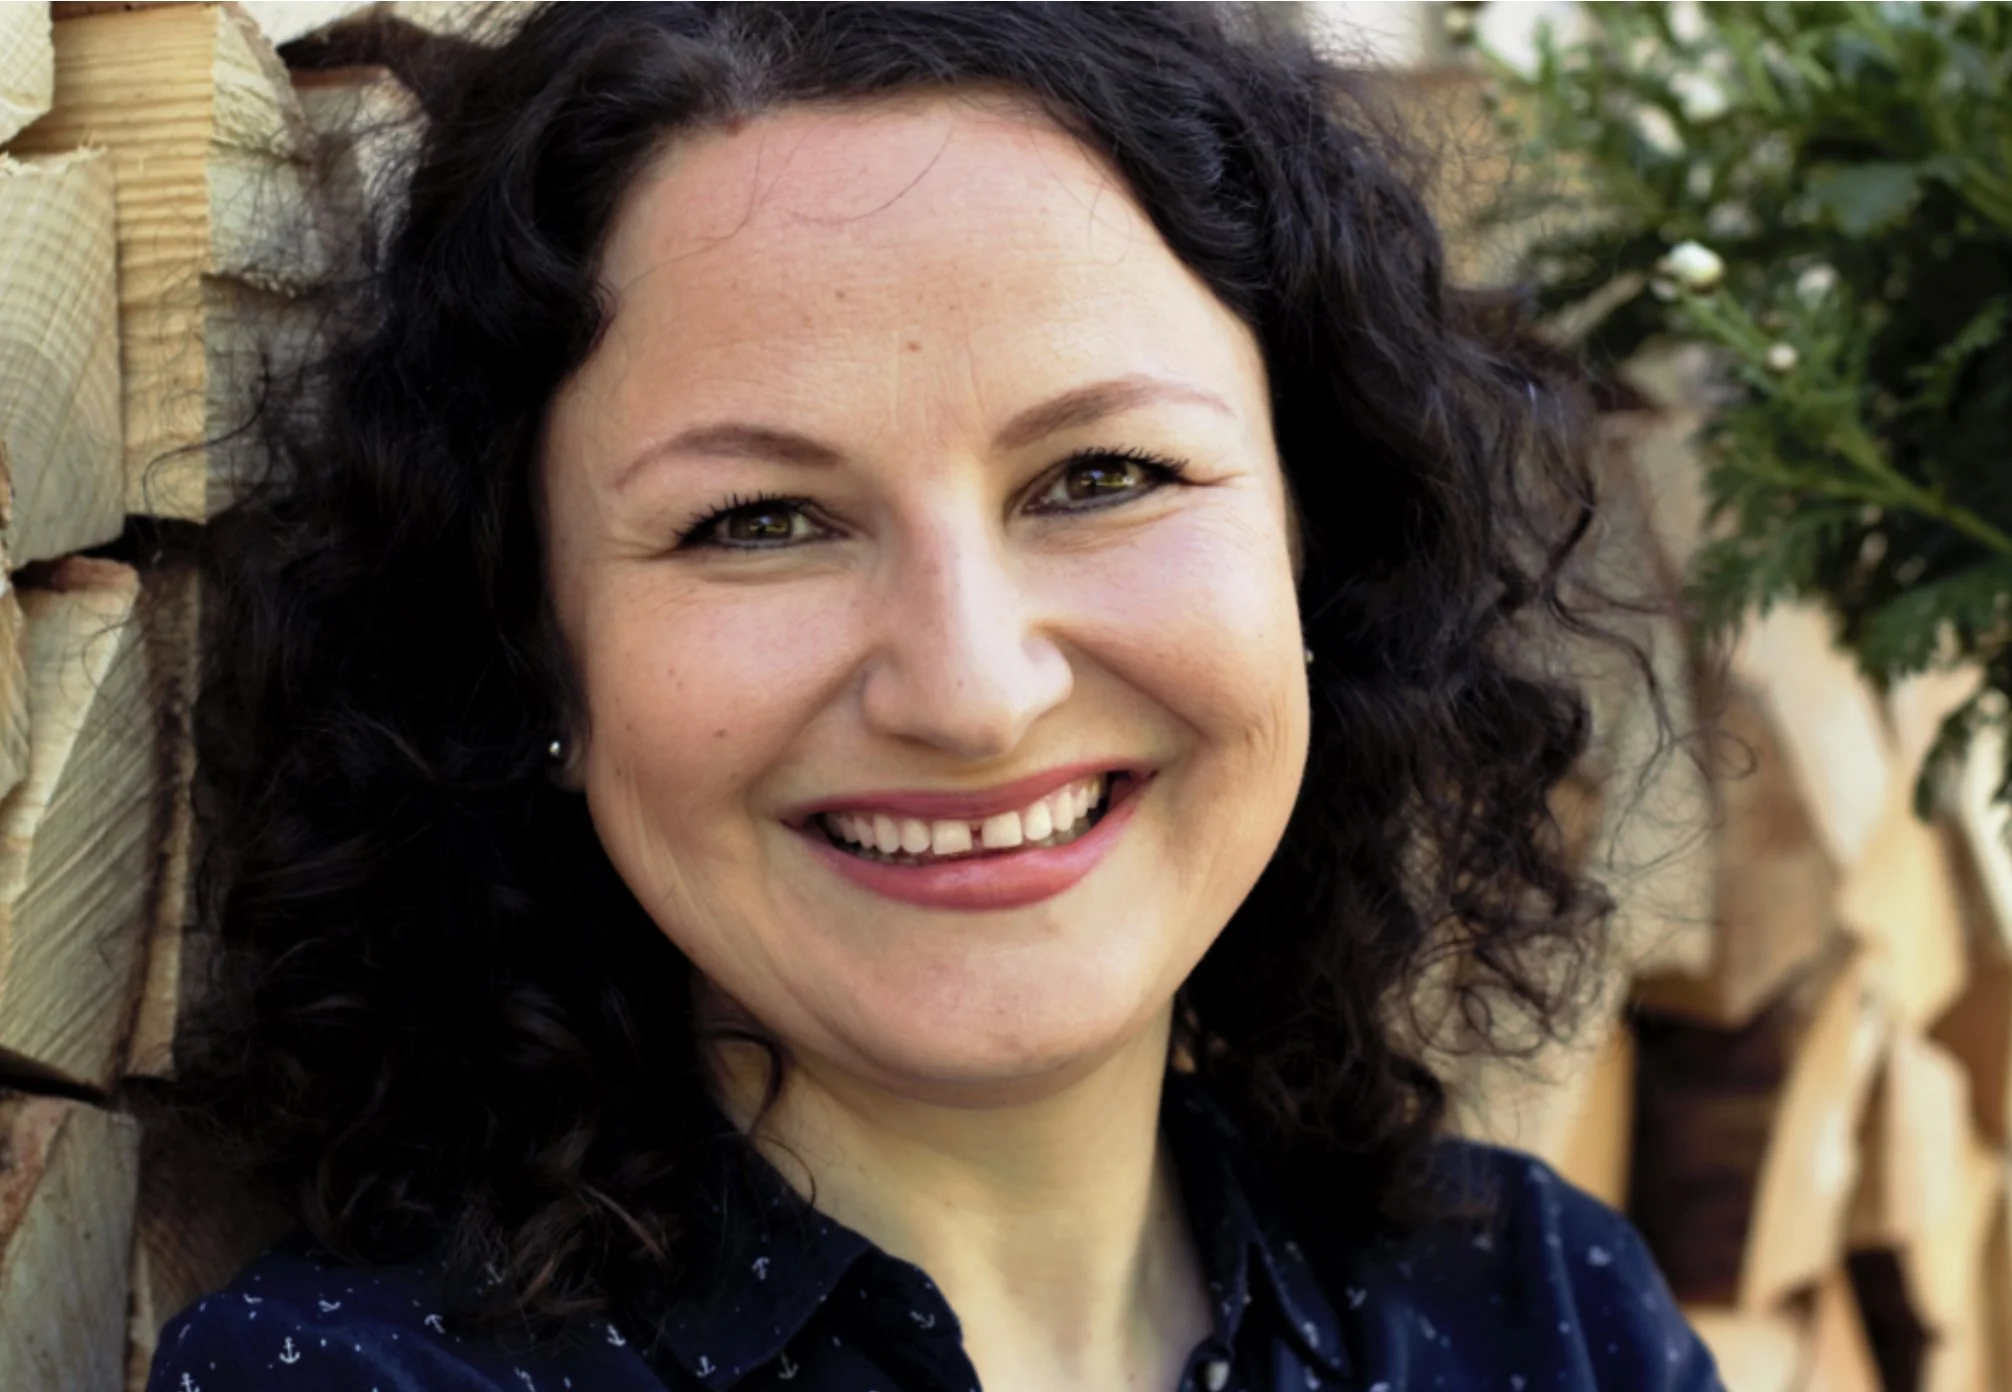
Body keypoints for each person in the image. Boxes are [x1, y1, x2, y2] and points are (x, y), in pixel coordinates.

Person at [146, 4, 1721, 1390]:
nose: (971, 694)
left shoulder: (1540, 1312)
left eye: (1103, 476)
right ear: (531, 648)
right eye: (758, 521)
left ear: (1320, 546)